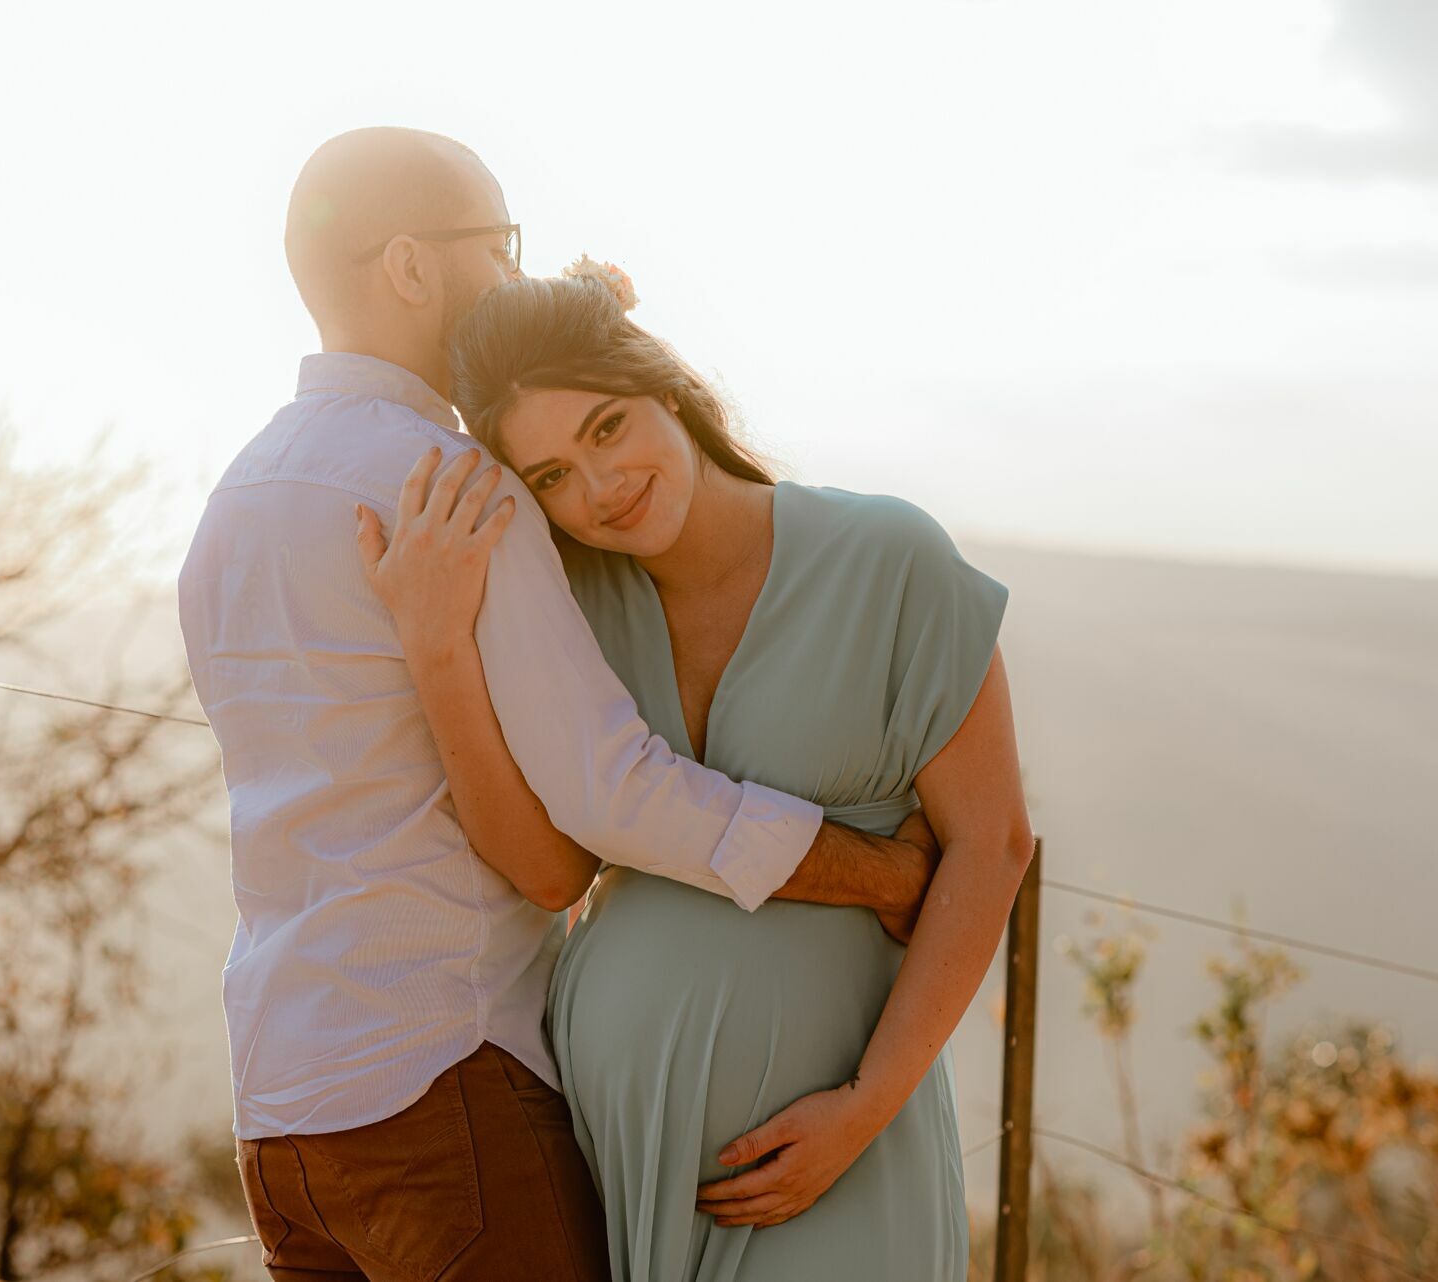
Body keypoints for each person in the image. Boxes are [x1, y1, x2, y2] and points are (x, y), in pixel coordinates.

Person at [177, 127, 946, 1282]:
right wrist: (879, 871)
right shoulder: (449, 491)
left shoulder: (229, 508)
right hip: (440, 1091)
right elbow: (609, 789)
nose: (510, 278)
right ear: (408, 267)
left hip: (284, 1118)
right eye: (500, 246)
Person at [354, 266, 1035, 1281]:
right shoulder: (571, 605)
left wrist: (865, 1107)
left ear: (664, 389)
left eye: (607, 428)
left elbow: (994, 844)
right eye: (548, 477)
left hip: (836, 1141)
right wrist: (437, 647)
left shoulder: (887, 557)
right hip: (625, 1157)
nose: (598, 489)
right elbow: (547, 870)